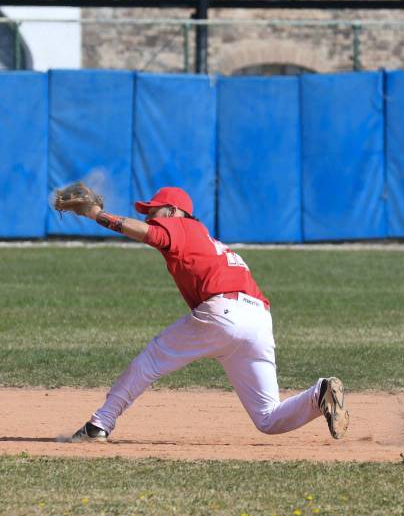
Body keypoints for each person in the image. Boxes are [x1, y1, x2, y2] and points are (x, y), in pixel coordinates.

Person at [63, 186, 349, 442]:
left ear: (174, 212)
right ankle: (319, 393)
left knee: (149, 361)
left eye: (155, 210)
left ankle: (98, 425)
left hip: (224, 313)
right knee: (268, 418)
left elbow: (148, 233)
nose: (151, 216)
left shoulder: (184, 228)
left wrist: (96, 214)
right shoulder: (212, 243)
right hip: (258, 318)